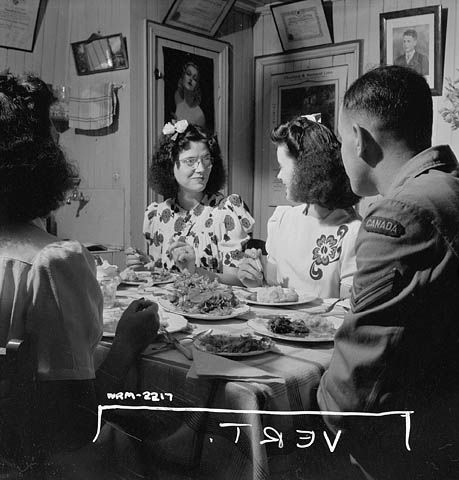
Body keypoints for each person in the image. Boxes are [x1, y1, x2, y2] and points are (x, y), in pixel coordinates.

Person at [0, 73, 159, 475]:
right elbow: (76, 419)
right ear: (36, 162)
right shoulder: (52, 262)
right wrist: (125, 345)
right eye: (54, 139)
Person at [317, 65, 459, 479]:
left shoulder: (399, 213)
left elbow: (350, 393)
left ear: (359, 140)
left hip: (404, 450)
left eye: (343, 141)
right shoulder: (447, 187)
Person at [237, 116, 361, 298]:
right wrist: (254, 282)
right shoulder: (281, 220)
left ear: (309, 171)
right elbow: (273, 290)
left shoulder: (353, 231)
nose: (279, 176)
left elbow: (346, 310)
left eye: (282, 166)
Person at [131, 119, 254, 285]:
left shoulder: (226, 212)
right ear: (170, 165)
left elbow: (238, 281)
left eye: (206, 159)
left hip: (213, 308)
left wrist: (194, 271)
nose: (201, 169)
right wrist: (143, 265)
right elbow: (160, 274)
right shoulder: (158, 214)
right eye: (190, 161)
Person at [173, 61, 206, 128]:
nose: (191, 79)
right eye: (188, 74)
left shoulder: (199, 115)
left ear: (197, 85)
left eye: (195, 79)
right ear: (183, 76)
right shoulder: (177, 97)